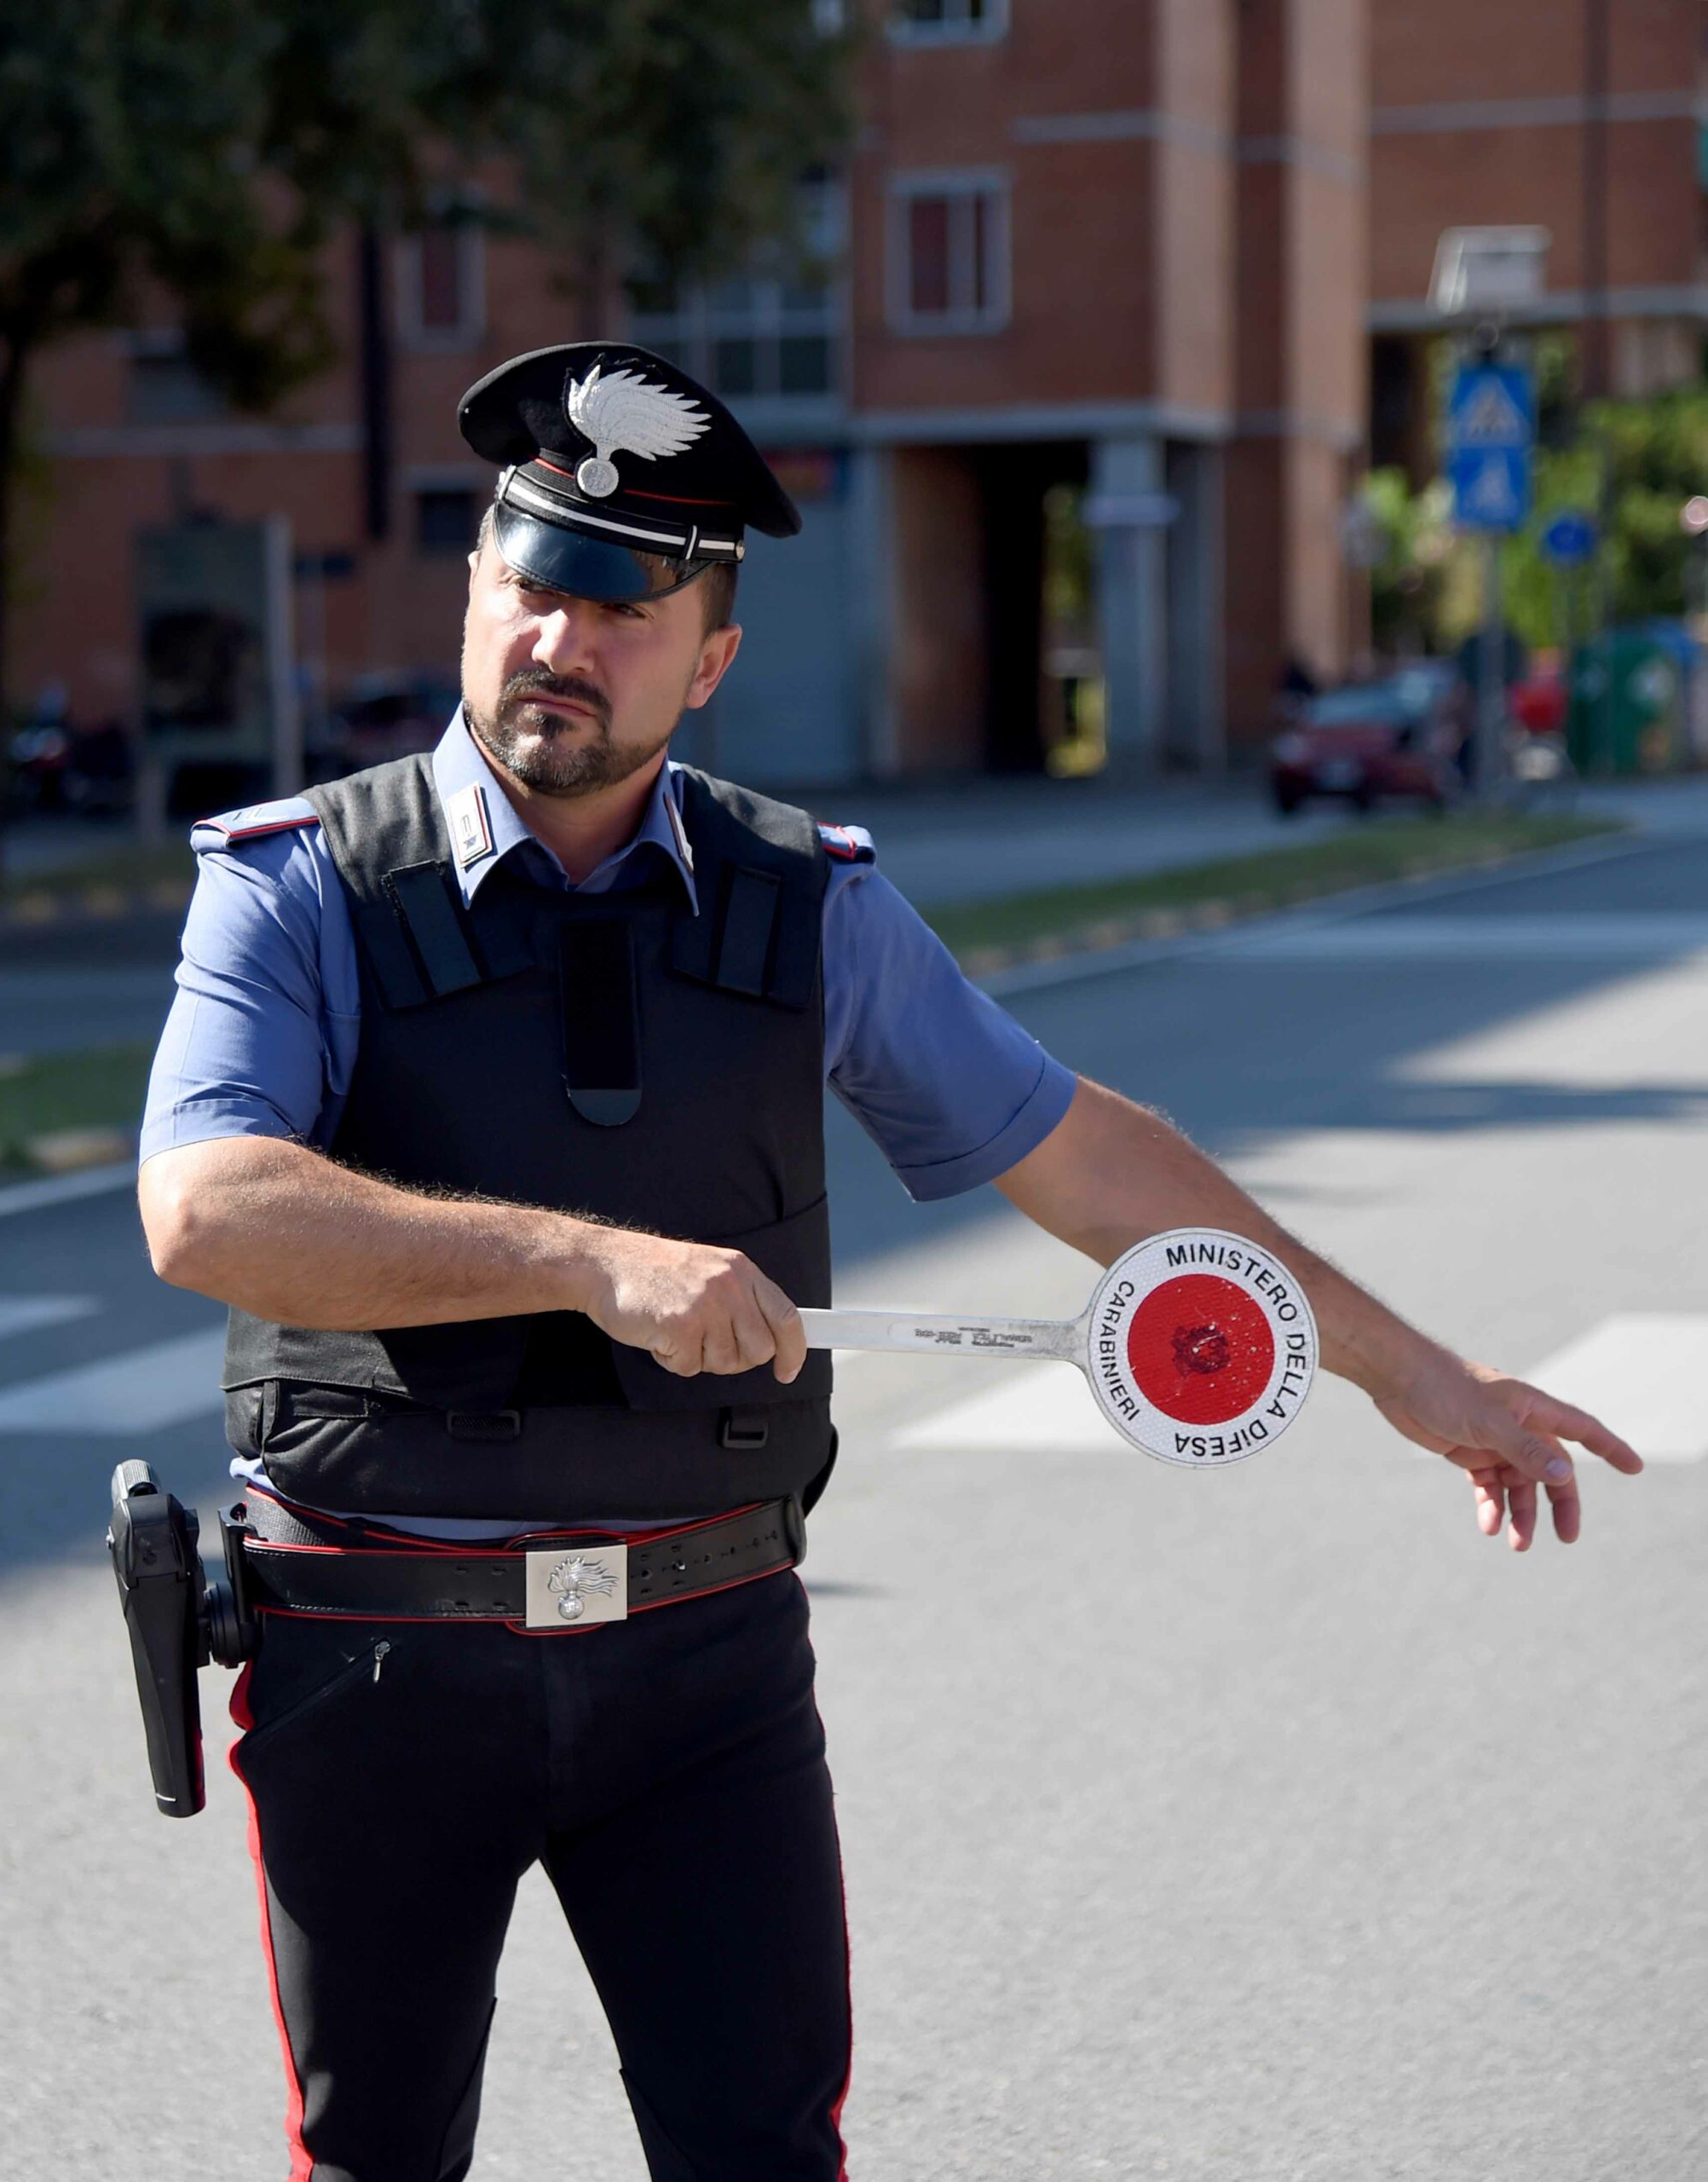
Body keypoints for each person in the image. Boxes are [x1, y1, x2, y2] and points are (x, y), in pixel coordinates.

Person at [137, 343, 1642, 2182]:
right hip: (375, 1654)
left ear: (710, 659)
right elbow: (203, 1206)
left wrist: (1414, 1374)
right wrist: (592, 1261)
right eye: (530, 577)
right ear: (472, 588)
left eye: (624, 599)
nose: (560, 633)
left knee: (765, 2155)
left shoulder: (805, 897)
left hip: (701, 1658)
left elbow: (1085, 1153)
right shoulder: (298, 885)